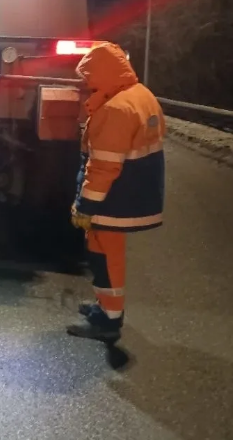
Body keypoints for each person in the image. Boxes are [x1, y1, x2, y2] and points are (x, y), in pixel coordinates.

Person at [67, 42, 165, 342]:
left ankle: (108, 321)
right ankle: (106, 308)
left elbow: (103, 167)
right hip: (131, 192)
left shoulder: (115, 110)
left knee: (104, 257)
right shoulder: (141, 95)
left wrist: (85, 205)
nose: (85, 84)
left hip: (114, 198)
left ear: (102, 73)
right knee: (107, 253)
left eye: (88, 77)